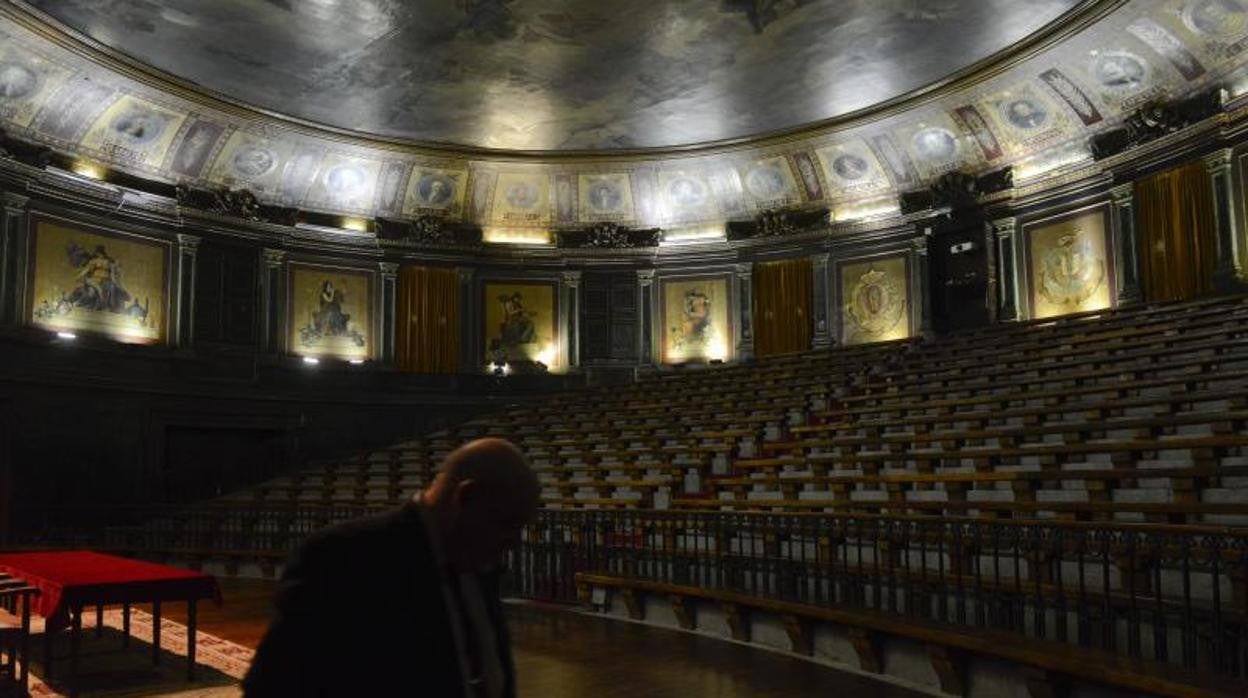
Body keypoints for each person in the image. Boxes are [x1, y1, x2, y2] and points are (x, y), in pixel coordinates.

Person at [243, 438, 540, 698]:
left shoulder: (477, 559)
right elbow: (273, 687)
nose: (513, 541)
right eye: (507, 524)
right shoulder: (341, 559)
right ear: (465, 498)